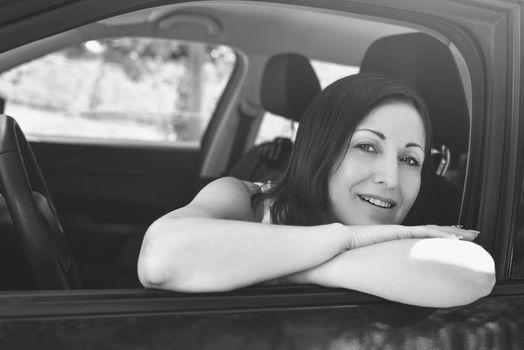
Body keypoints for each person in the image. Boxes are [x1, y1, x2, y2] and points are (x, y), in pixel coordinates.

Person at [137, 73, 495, 307]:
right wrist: (346, 240)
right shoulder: (244, 200)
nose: (391, 178)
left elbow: (475, 272)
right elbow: (159, 258)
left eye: (410, 159)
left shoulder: (402, 237)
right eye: (367, 147)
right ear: (319, 146)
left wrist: (292, 269)